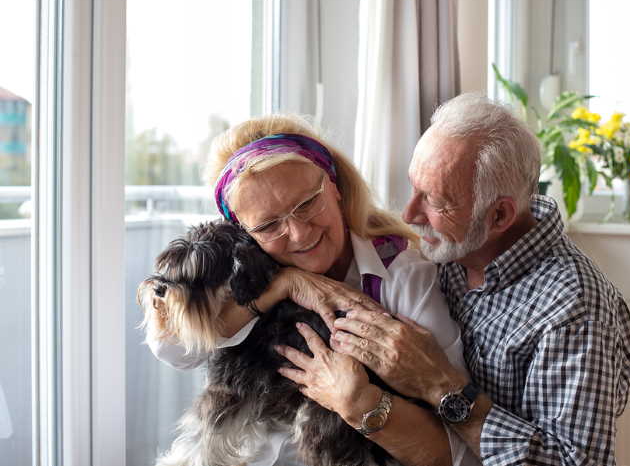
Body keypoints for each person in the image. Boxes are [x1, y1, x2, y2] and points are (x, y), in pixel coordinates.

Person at [281, 94, 630, 465]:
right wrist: (295, 281)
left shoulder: (573, 307)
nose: (409, 214)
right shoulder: (447, 252)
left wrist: (439, 385)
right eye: (413, 187)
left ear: (499, 215)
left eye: (435, 202)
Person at [145, 115, 475, 466]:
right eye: (270, 224)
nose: (300, 233)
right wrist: (284, 287)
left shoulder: (402, 277)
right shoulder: (244, 272)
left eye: (307, 203)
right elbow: (172, 348)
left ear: (334, 185)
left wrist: (361, 401)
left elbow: (457, 446)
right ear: (242, 232)